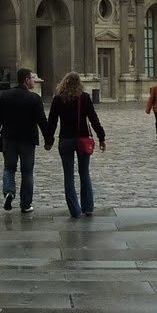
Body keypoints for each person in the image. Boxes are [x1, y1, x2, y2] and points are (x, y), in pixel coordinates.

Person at [44, 72, 107, 217]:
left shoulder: (58, 99)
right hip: (82, 139)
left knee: (68, 176)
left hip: (65, 140)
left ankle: (74, 210)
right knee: (84, 173)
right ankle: (88, 207)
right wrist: (101, 137)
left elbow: (52, 122)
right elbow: (93, 119)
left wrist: (49, 141)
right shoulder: (84, 98)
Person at [0, 67, 49, 212]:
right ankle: (26, 204)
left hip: (9, 138)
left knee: (9, 168)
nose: (34, 81)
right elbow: (42, 121)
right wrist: (49, 139)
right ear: (27, 80)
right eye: (33, 78)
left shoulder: (6, 96)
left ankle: (9, 192)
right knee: (27, 172)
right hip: (28, 140)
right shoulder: (34, 98)